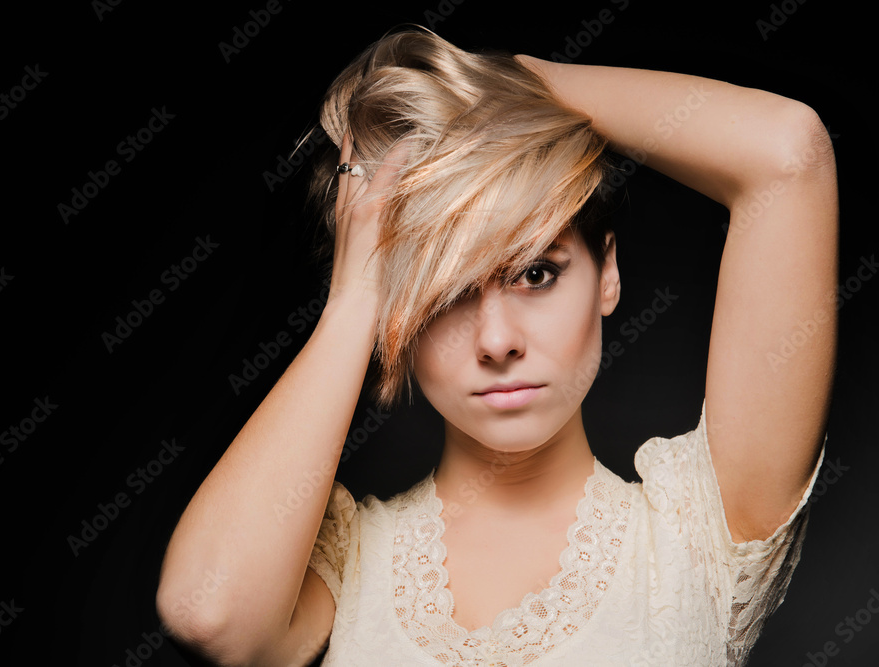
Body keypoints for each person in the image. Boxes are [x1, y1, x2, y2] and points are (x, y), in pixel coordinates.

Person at [155, 26, 837, 666]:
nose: (497, 340)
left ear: (607, 271)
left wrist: (511, 84)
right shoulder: (346, 565)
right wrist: (354, 301)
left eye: (536, 273)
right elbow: (207, 614)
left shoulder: (699, 540)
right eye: (446, 292)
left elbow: (788, 152)